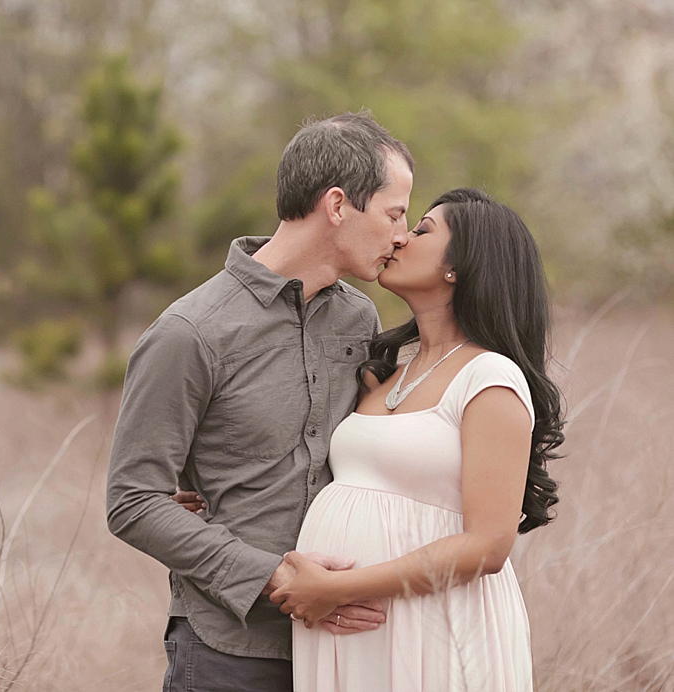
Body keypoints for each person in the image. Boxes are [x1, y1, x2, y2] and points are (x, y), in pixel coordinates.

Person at [105, 112, 414, 691]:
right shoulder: (189, 332)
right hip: (232, 652)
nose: (402, 235)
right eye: (394, 214)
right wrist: (272, 574)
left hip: (350, 648)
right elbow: (132, 500)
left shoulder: (359, 316)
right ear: (339, 205)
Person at [274, 188, 563, 691]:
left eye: (423, 229)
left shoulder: (490, 377)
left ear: (460, 265)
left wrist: (337, 588)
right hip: (348, 630)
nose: (401, 237)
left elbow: (488, 546)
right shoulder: (384, 371)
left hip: (432, 630)